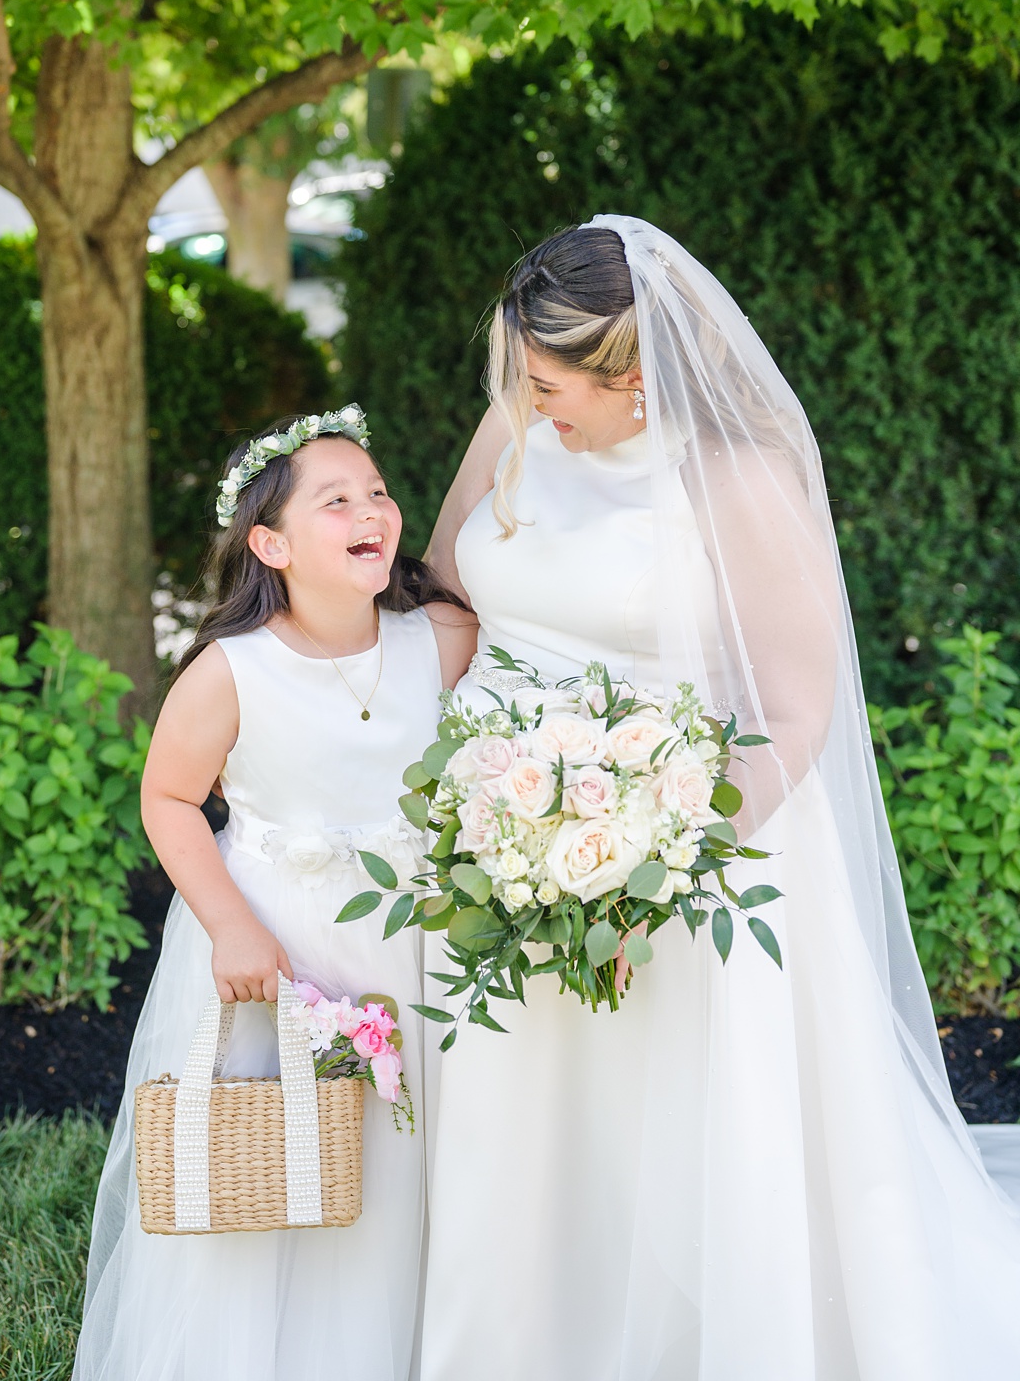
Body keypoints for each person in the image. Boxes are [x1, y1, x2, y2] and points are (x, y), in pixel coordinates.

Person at [417, 217, 1020, 1379]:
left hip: (684, 847)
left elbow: (795, 713)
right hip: (494, 831)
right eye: (519, 376)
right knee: (519, 1123)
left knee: (682, 1147)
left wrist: (651, 861)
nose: (526, 403)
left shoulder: (738, 479)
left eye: (550, 384)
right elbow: (450, 583)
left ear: (634, 376)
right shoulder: (520, 421)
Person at [72, 408, 477, 1380]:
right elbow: (168, 796)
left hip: (411, 950)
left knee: (392, 1155)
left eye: (377, 492)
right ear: (271, 543)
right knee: (268, 1143)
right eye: (336, 499)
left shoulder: (443, 639)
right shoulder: (234, 670)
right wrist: (229, 925)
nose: (370, 508)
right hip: (276, 948)